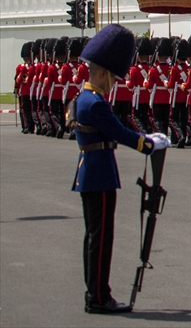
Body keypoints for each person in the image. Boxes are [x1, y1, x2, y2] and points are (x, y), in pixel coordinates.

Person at [71, 24, 170, 314]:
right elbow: (119, 132)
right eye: (113, 77)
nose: (114, 83)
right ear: (101, 72)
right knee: (101, 239)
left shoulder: (88, 98)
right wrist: (149, 145)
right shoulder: (94, 102)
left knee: (97, 236)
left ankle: (97, 293)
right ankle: (99, 297)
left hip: (95, 172)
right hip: (97, 175)